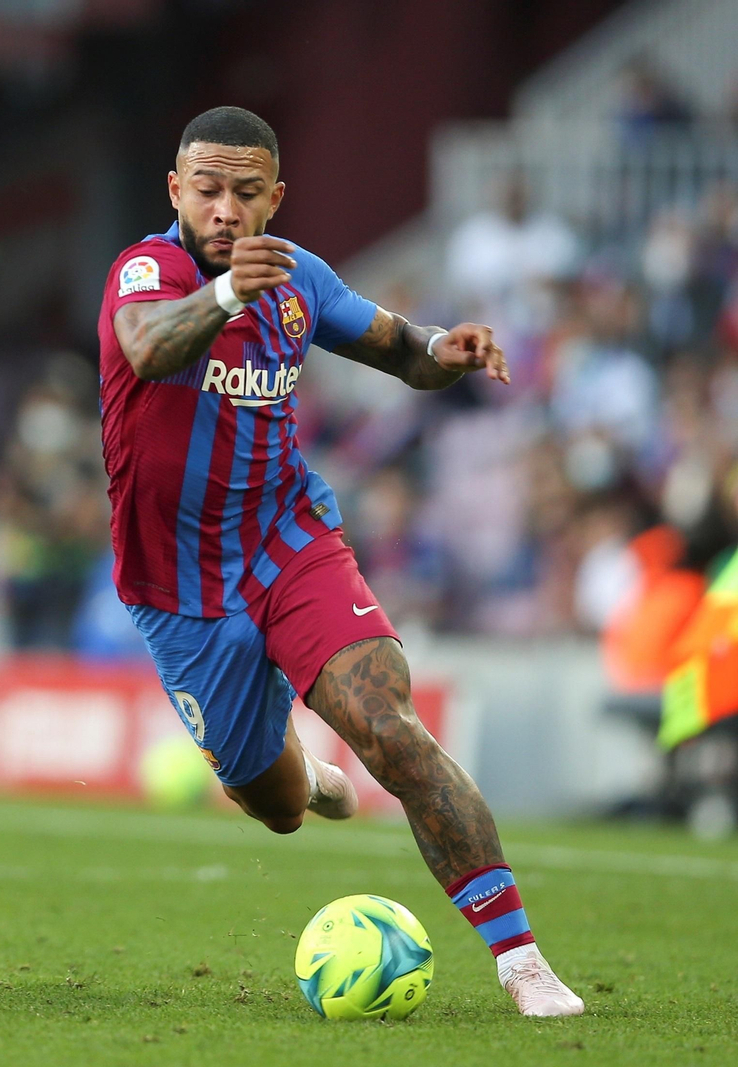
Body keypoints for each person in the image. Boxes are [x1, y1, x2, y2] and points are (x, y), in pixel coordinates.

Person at [97, 106, 582, 1017]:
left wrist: (447, 350)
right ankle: (308, 774)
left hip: (290, 543)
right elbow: (147, 345)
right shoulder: (145, 271)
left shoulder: (299, 279)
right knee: (276, 805)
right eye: (207, 190)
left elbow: (399, 349)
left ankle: (521, 960)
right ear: (176, 191)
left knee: (390, 726)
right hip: (179, 587)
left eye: (247, 192)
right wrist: (228, 294)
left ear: (276, 197)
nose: (225, 210)